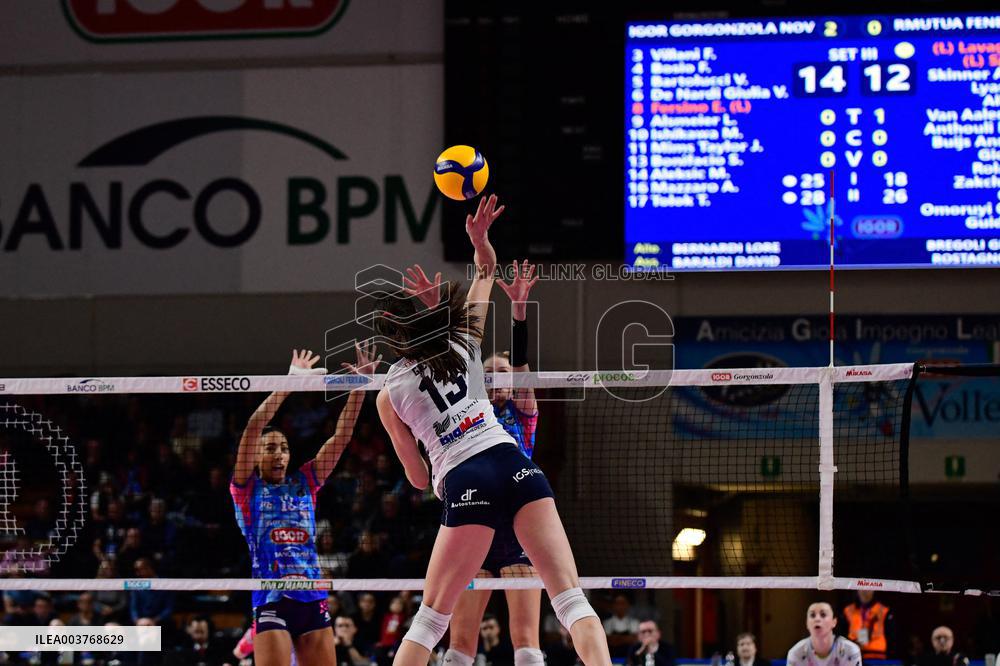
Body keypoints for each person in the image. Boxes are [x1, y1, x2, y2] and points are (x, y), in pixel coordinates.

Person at [374, 194, 610, 666]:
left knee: (430, 621)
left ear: (390, 339)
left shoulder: (387, 394)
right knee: (570, 599)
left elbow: (417, 479)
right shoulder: (462, 344)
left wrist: (431, 442)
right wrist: (480, 240)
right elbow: (486, 272)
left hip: (465, 479)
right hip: (514, 465)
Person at [231, 345, 378, 666]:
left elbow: (341, 438)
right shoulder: (246, 489)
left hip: (312, 597)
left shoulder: (305, 481)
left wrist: (360, 389)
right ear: (255, 457)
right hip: (271, 598)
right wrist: (290, 384)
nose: (279, 454)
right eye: (270, 448)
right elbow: (253, 427)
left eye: (284, 448)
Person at [442, 258, 543, 666]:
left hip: (519, 526)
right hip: (474, 519)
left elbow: (520, 367)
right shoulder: (465, 411)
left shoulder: (523, 413)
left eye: (502, 372)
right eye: (487, 372)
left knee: (528, 647)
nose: (496, 377)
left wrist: (518, 312)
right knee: (459, 648)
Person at [787, 602, 861, 666]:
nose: (817, 619)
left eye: (823, 615)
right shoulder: (796, 653)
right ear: (807, 623)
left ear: (834, 622)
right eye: (812, 615)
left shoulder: (850, 650)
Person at [842, 590, 894, 660]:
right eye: (862, 587)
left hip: (878, 657)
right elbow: (842, 635)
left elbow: (892, 639)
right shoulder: (848, 610)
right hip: (853, 656)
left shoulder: (884, 610)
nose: (865, 590)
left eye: (869, 588)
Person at [604, 594, 641, 659]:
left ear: (628, 605)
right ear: (613, 605)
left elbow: (635, 640)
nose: (620, 606)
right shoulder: (607, 623)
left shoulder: (635, 622)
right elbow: (608, 641)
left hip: (630, 659)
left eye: (623, 603)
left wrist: (616, 639)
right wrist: (627, 638)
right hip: (611, 658)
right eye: (617, 603)